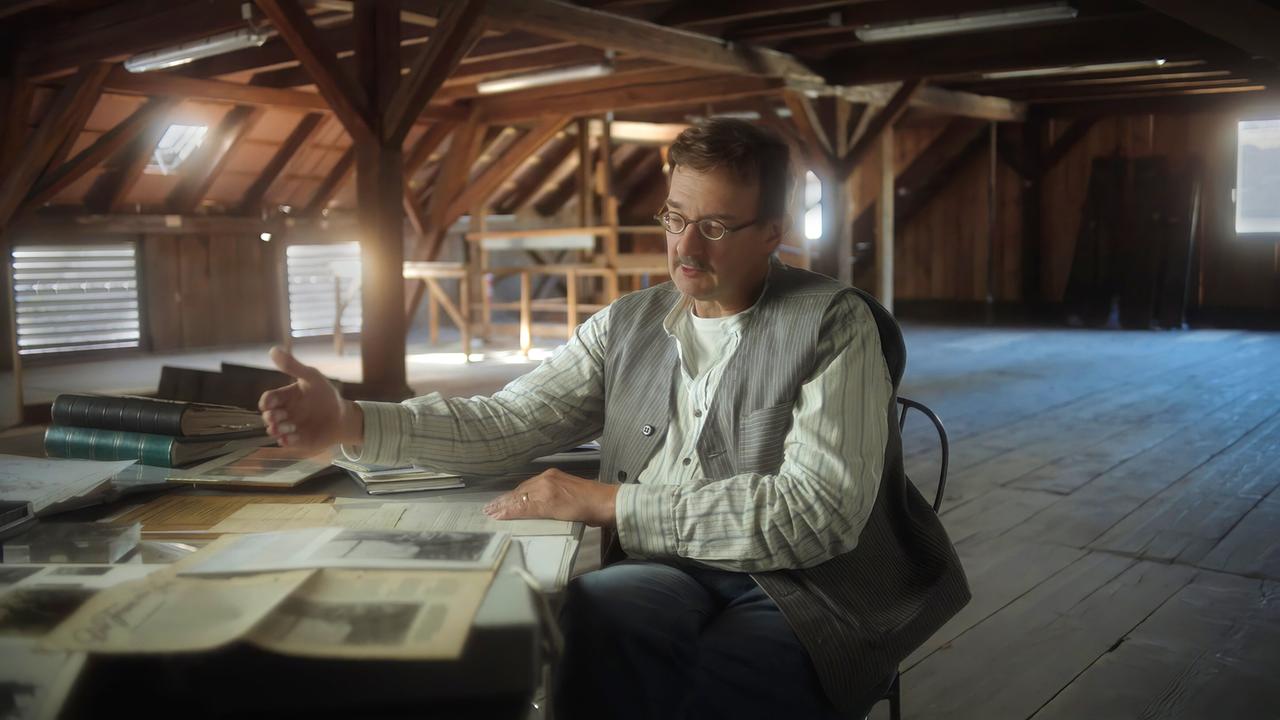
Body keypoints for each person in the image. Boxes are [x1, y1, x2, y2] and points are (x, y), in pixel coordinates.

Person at [259, 119, 968, 720]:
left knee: (715, 688)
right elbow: (512, 420)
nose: (686, 249)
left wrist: (605, 502)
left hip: (813, 586)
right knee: (587, 623)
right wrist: (352, 422)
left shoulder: (834, 325)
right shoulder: (628, 323)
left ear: (770, 235)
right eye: (675, 217)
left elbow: (815, 517)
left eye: (715, 226)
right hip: (668, 566)